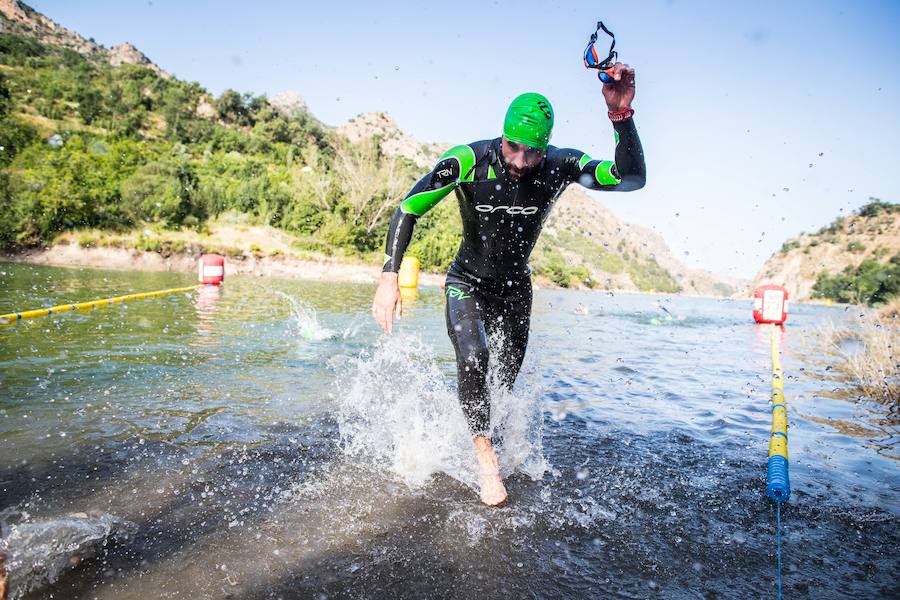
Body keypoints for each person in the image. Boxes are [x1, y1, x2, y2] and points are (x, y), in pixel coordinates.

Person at [372, 63, 645, 505]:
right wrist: (389, 275)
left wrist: (622, 115)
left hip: (516, 291)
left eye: (531, 153)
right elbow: (410, 206)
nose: (519, 162)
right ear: (503, 137)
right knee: (474, 357)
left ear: (545, 148)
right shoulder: (467, 160)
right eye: (513, 148)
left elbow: (631, 179)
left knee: (503, 382)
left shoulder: (562, 166)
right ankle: (486, 460)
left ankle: (485, 433)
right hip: (467, 282)